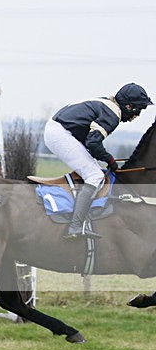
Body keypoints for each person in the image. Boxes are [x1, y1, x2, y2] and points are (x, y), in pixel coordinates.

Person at [43, 83, 152, 239]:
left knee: (93, 170)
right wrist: (110, 159)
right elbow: (93, 143)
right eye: (138, 110)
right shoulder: (113, 115)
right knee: (95, 176)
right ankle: (75, 226)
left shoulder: (108, 105)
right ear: (129, 106)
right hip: (61, 134)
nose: (138, 115)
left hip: (61, 131)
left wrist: (106, 158)